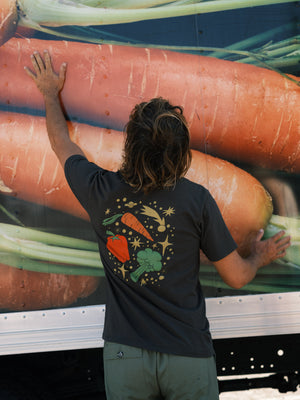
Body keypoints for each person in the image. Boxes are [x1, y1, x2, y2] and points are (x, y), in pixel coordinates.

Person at [25, 51, 290, 400]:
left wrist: (48, 93)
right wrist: (259, 255)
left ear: (129, 147)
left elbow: (62, 143)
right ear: (183, 155)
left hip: (126, 355)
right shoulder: (197, 200)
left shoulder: (100, 190)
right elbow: (237, 276)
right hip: (186, 354)